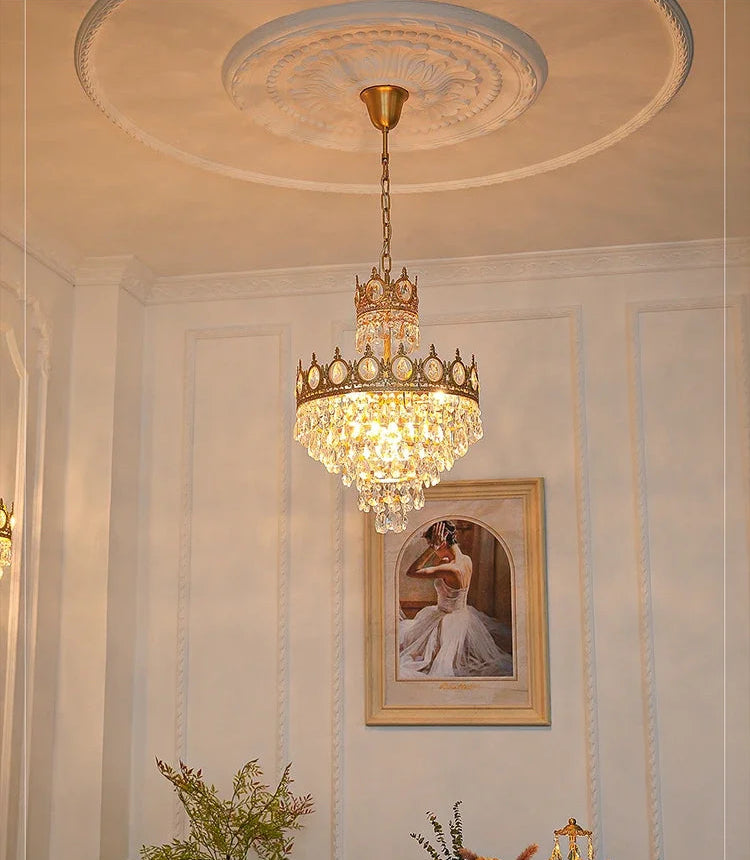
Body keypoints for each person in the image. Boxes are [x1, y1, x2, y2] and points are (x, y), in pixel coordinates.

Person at [398, 520, 513, 678]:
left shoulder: (451, 569)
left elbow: (411, 571)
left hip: (447, 622)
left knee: (418, 658)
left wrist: (432, 549)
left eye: (431, 543)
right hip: (462, 617)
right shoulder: (466, 560)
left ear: (441, 542)